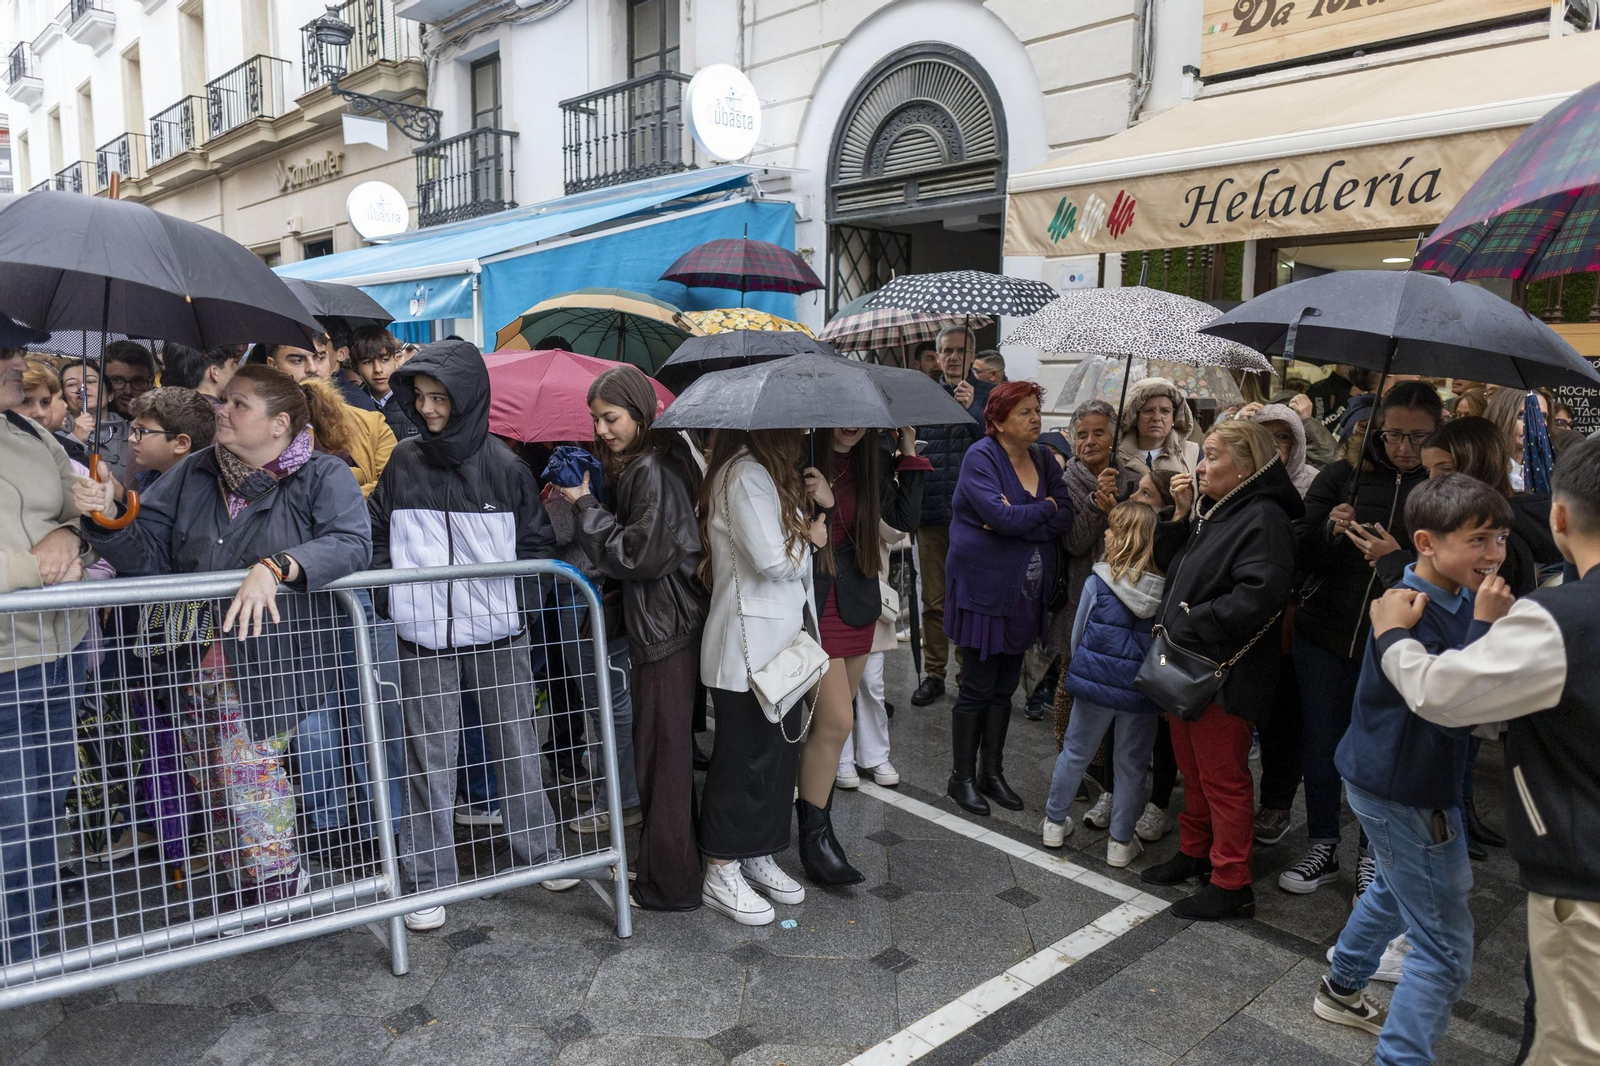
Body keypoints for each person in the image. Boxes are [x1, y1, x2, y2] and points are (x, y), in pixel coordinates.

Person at [74, 363, 371, 921]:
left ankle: (281, 884)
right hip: (191, 656)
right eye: (223, 400)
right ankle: (243, 886)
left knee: (247, 771)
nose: (221, 411)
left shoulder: (323, 474)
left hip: (272, 656)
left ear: (279, 423)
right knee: (209, 773)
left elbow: (352, 542)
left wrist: (278, 566)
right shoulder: (194, 472)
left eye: (238, 404)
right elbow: (151, 555)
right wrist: (108, 513)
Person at [1370, 439, 1600, 1066]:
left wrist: (1391, 635)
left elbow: (1447, 694)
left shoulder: (1562, 618)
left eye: (1498, 538)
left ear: (1557, 517)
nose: (1493, 553)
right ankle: (1344, 979)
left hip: (1584, 880)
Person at [367, 339, 573, 932]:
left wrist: (514, 608)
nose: (428, 409)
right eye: (422, 397)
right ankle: (428, 879)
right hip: (422, 635)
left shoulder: (507, 467)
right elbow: (377, 532)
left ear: (467, 399)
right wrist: (395, 600)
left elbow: (537, 546)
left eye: (440, 398)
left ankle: (539, 852)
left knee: (517, 745)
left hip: (498, 636)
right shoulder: (403, 461)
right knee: (428, 758)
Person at [1311, 474, 1510, 1061]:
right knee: (1446, 946)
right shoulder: (1408, 608)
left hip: (1404, 779)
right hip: (1402, 784)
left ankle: (1342, 985)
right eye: (1477, 540)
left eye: (1499, 538)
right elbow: (1449, 703)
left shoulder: (1457, 596)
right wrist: (1489, 626)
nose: (1494, 553)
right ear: (1426, 541)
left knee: (1400, 888)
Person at [1139, 419, 1302, 920]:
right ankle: (1195, 852)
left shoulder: (1264, 517)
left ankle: (1232, 881)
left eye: (1212, 456)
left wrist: (1194, 621)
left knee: (1223, 777)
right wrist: (1181, 515)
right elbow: (1175, 564)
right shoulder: (1219, 508)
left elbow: (1260, 596)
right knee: (1193, 769)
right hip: (1189, 664)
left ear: (1247, 466)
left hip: (1223, 673)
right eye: (1202, 454)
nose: (1200, 465)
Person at [1285, 381, 1442, 898]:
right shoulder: (1342, 476)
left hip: (1399, 645)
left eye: (1418, 438)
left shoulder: (1442, 489)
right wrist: (1330, 531)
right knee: (1323, 743)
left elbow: (1452, 573)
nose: (1403, 448)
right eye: (1394, 434)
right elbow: (1302, 551)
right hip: (1326, 633)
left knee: (1383, 755)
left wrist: (1401, 559)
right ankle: (1323, 842)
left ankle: (1373, 854)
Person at [562, 365, 707, 912]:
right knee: (662, 756)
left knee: (662, 760)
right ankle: (670, 874)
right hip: (667, 623)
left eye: (611, 418)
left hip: (665, 626)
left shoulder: (652, 466)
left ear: (640, 414)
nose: (602, 429)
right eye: (596, 419)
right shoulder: (656, 460)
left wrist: (583, 504)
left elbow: (635, 555)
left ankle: (668, 885)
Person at [697, 428, 819, 926]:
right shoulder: (746, 474)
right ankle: (720, 867)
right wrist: (811, 540)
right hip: (745, 648)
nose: (803, 436)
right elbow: (771, 558)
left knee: (774, 756)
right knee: (743, 759)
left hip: (776, 642)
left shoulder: (764, 473)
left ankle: (756, 851)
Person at [800, 425, 927, 883]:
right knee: (837, 722)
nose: (851, 423)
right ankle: (814, 837)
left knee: (827, 727)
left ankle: (819, 826)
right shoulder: (803, 453)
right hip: (813, 602)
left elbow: (901, 525)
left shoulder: (871, 458)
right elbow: (797, 539)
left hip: (857, 598)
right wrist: (821, 503)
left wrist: (907, 453)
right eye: (843, 414)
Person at [0, 343, 91, 966]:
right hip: (7, 661)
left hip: (56, 651)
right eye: (2, 352)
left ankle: (26, 947)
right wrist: (34, 567)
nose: (16, 361)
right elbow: (40, 562)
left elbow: (82, 512)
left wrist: (75, 529)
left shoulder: (28, 432)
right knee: (12, 810)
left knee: (41, 802)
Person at [944, 382, 1074, 815]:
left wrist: (1021, 521)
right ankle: (960, 778)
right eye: (1024, 412)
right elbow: (1000, 516)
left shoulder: (1041, 457)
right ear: (997, 421)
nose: (1036, 418)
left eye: (1037, 410)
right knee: (977, 686)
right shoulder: (981, 457)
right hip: (984, 592)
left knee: (1005, 689)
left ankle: (991, 773)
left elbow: (1065, 514)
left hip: (1025, 596)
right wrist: (1042, 510)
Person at [1041, 501, 1164, 867]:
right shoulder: (1162, 589)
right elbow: (1162, 645)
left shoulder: (1099, 580)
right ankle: (1120, 843)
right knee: (1131, 765)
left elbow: (1079, 635)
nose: (1106, 534)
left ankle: (1053, 822)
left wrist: (1088, 669)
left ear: (1122, 537)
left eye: (1111, 529)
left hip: (1095, 683)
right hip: (1141, 690)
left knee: (1075, 752)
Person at [1052, 401, 1139, 827]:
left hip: (1131, 607)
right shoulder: (1065, 481)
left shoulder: (1134, 478)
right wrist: (1095, 503)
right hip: (1082, 605)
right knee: (1078, 693)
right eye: (1081, 434)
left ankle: (1117, 785)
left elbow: (1145, 536)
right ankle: (1088, 773)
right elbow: (1074, 541)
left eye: (1099, 433)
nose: (1090, 441)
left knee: (1122, 697)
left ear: (1114, 436)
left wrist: (1118, 506)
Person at [1239, 401, 1317, 846]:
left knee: (1284, 719)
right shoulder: (1238, 482)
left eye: (1282, 436)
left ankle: (1277, 802)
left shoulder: (1311, 486)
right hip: (1246, 616)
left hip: (1289, 614)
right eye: (1264, 436)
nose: (1274, 445)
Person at [909, 325, 994, 707]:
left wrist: (972, 410)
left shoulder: (990, 396)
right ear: (938, 356)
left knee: (970, 598)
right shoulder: (923, 395)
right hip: (931, 513)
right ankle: (933, 673)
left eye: (960, 350)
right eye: (946, 350)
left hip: (973, 517)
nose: (953, 356)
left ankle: (967, 672)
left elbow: (995, 446)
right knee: (934, 600)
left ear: (972, 354)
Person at [265, 341, 396, 496]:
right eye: (298, 360)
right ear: (273, 365)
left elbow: (391, 485)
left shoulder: (372, 424)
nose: (313, 369)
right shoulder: (256, 428)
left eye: (320, 358)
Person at [837, 520, 909, 790]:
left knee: (872, 684)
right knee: (839, 687)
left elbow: (897, 531)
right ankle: (840, 757)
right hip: (835, 592)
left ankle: (876, 755)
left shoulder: (874, 485)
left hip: (871, 594)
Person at [126, 387, 215, 489]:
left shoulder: (195, 494)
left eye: (142, 431)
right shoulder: (152, 480)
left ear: (181, 443)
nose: (132, 439)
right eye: (134, 429)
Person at [1116, 377, 1200, 477]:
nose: (1157, 418)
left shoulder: (1193, 453)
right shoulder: (1116, 457)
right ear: (1134, 416)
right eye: (1148, 410)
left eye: (1165, 411)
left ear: (1174, 417)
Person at [350, 326, 418, 443]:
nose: (378, 369)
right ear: (355, 368)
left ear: (397, 360)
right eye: (367, 362)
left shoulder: (415, 400)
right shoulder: (351, 406)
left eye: (384, 360)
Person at [1487, 388, 1552, 492]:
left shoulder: (1551, 468)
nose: (1534, 424)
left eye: (1542, 416)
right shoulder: (1485, 468)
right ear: (1501, 417)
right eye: (1522, 415)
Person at [161, 341, 238, 404]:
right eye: (232, 364)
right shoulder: (223, 417)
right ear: (214, 372)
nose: (236, 369)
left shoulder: (169, 407)